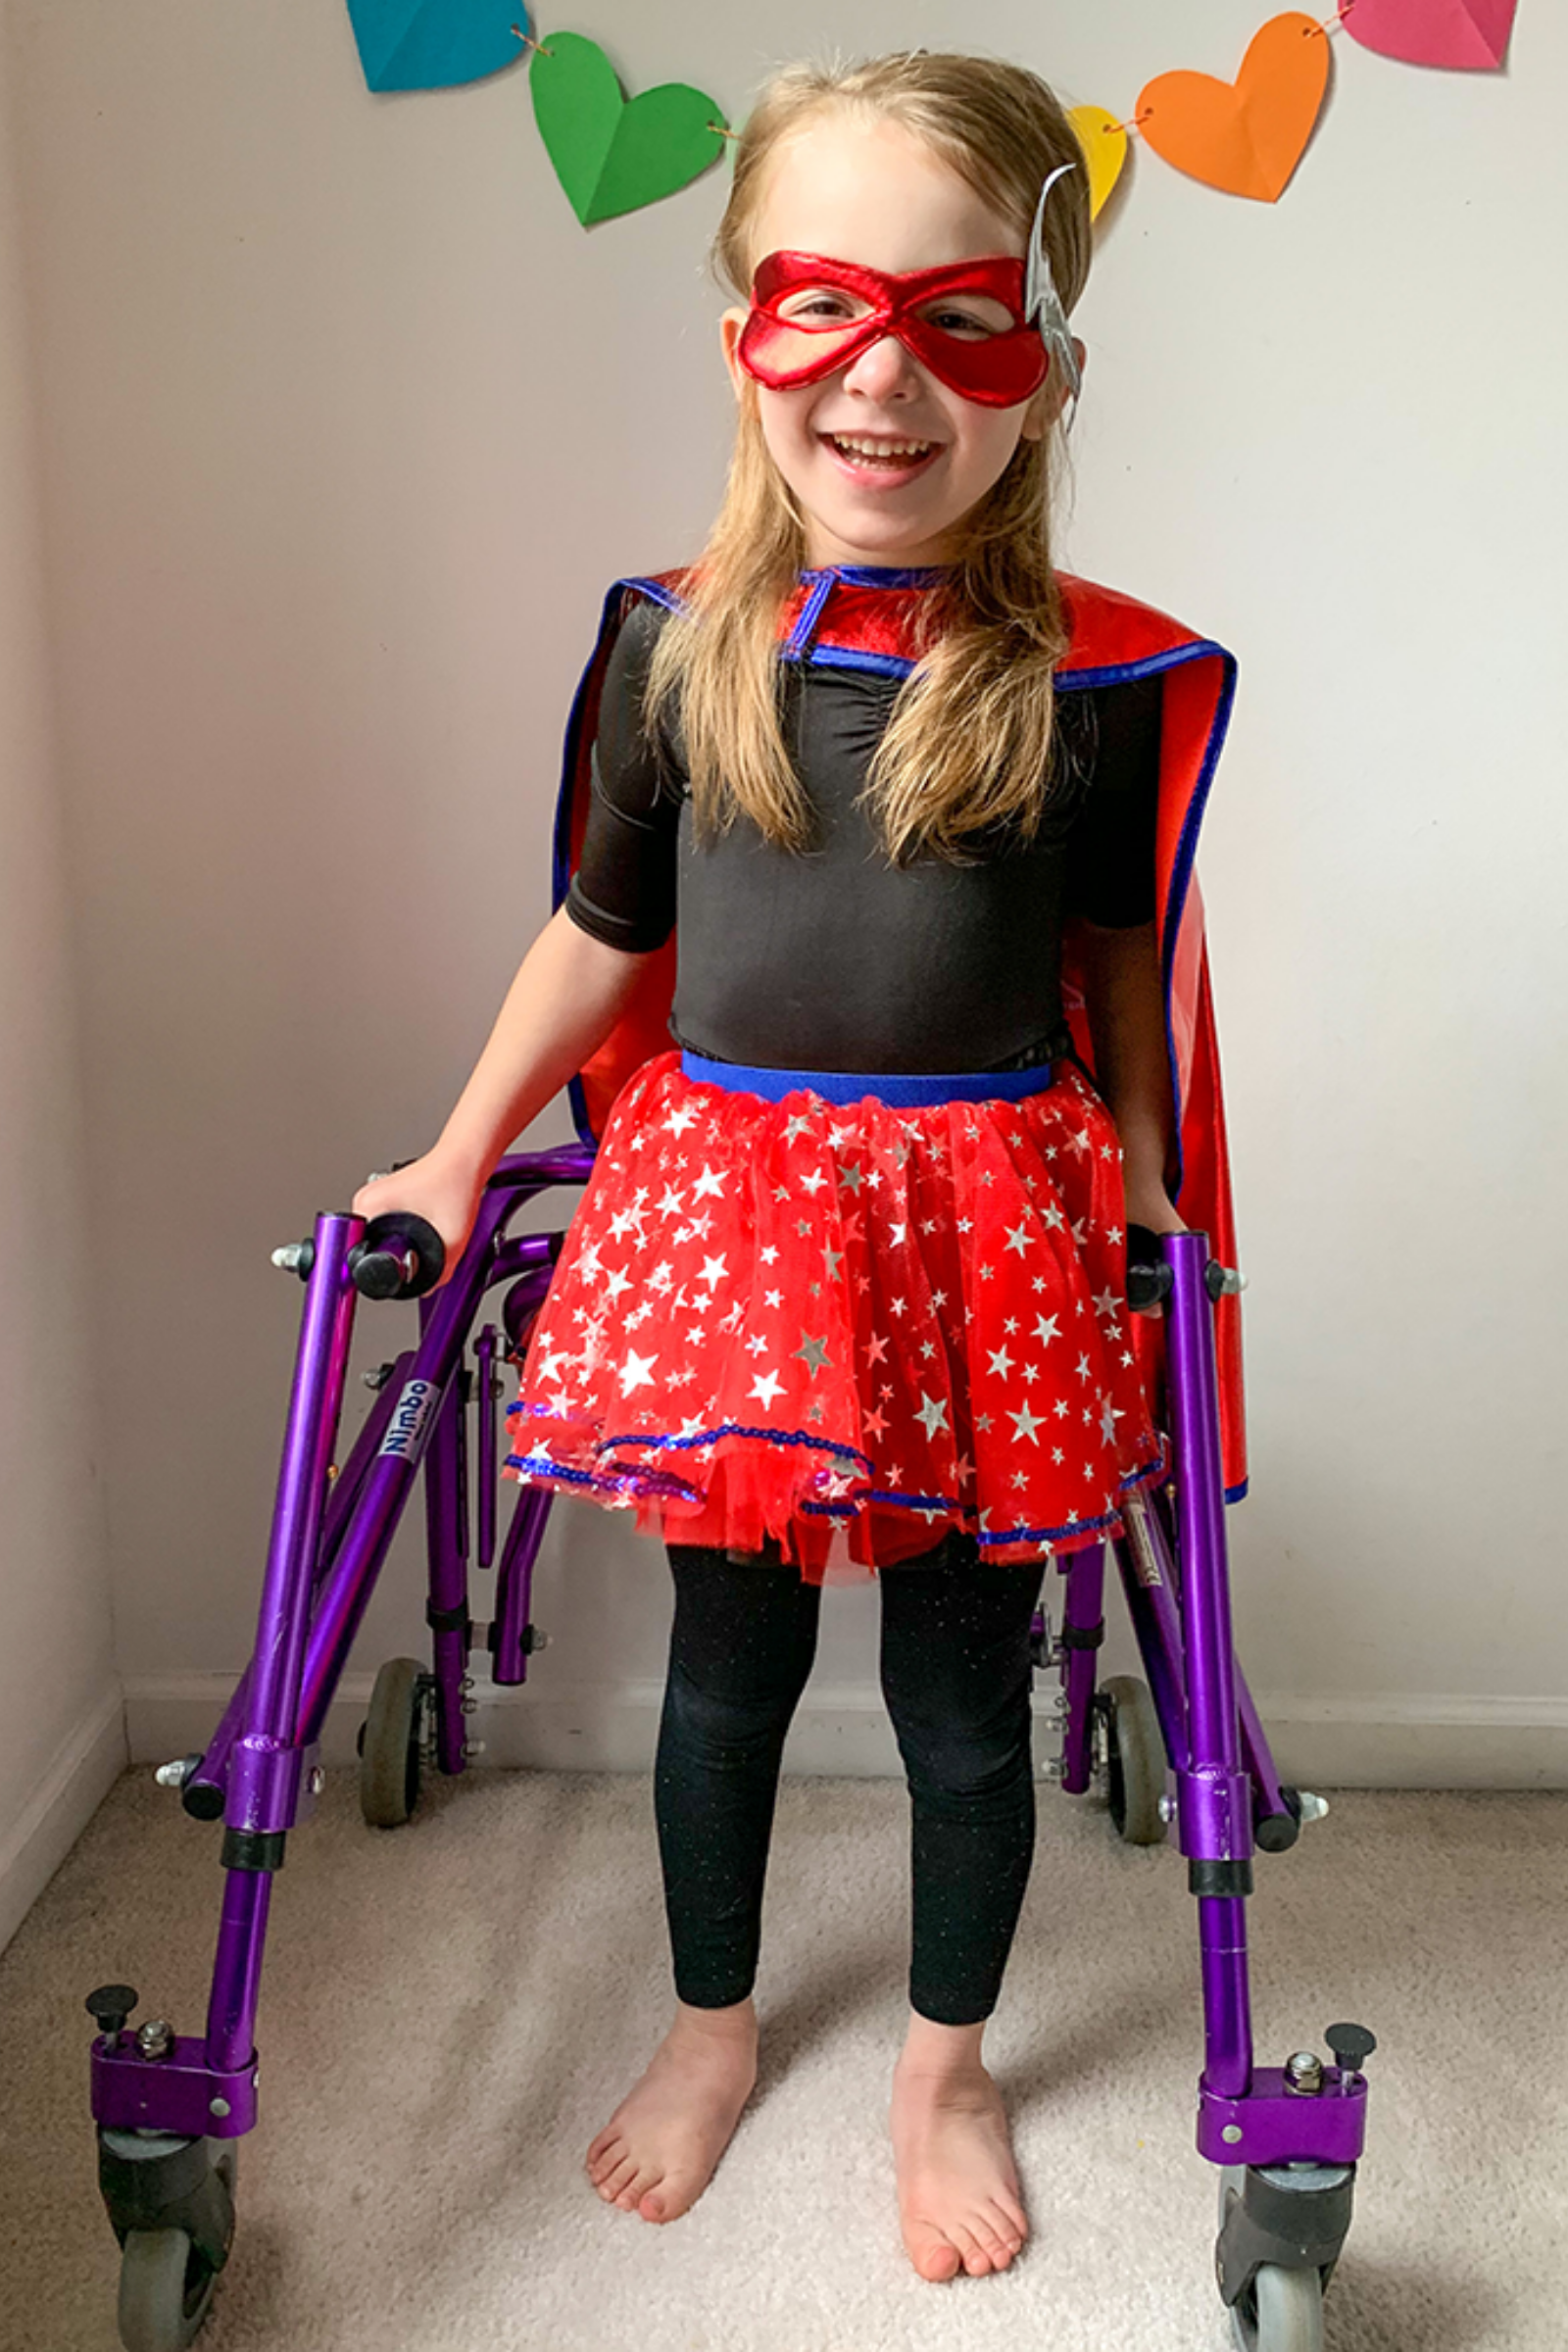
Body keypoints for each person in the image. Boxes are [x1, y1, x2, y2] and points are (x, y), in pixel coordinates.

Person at [353, 49, 1245, 2284]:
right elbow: (599, 937)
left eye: (958, 320)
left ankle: (945, 2070)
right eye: (822, 303)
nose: (880, 375)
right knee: (725, 1680)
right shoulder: (678, 653)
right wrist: (455, 1155)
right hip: (732, 1230)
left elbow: (1120, 967)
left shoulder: (1081, 687)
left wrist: (1146, 1175)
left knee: (960, 1704)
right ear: (743, 330)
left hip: (986, 1234)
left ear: (1045, 370)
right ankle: (711, 2028)